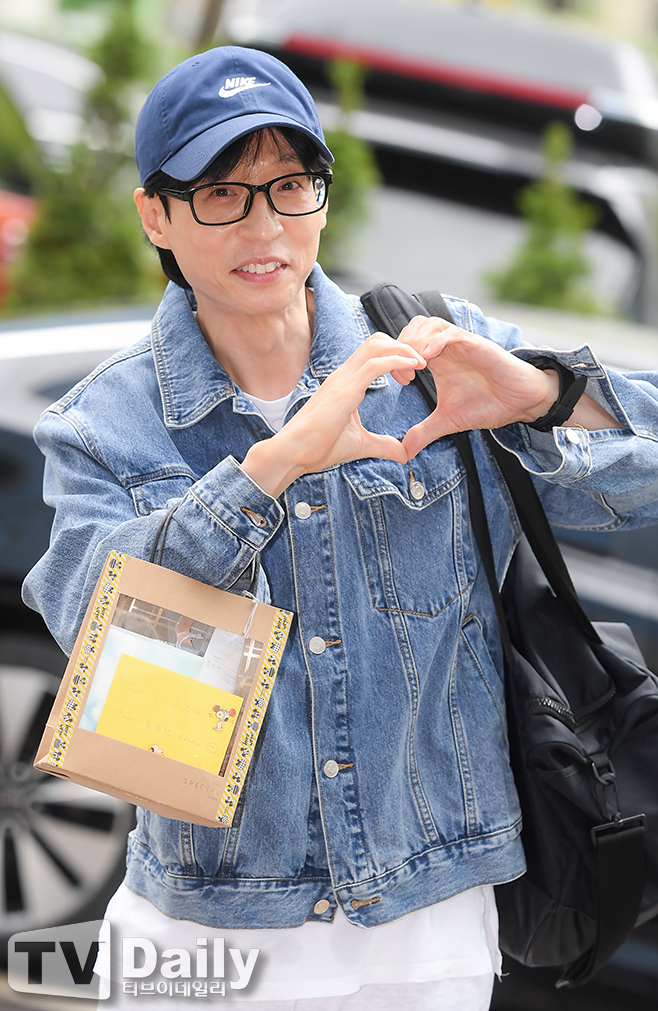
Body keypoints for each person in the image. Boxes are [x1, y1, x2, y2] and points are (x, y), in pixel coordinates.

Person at [23, 45, 658, 1011]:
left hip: (430, 920)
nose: (264, 225)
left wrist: (543, 395)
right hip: (207, 929)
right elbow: (93, 637)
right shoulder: (103, 426)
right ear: (155, 214)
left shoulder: (427, 361)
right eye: (221, 194)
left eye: (291, 186)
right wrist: (269, 468)